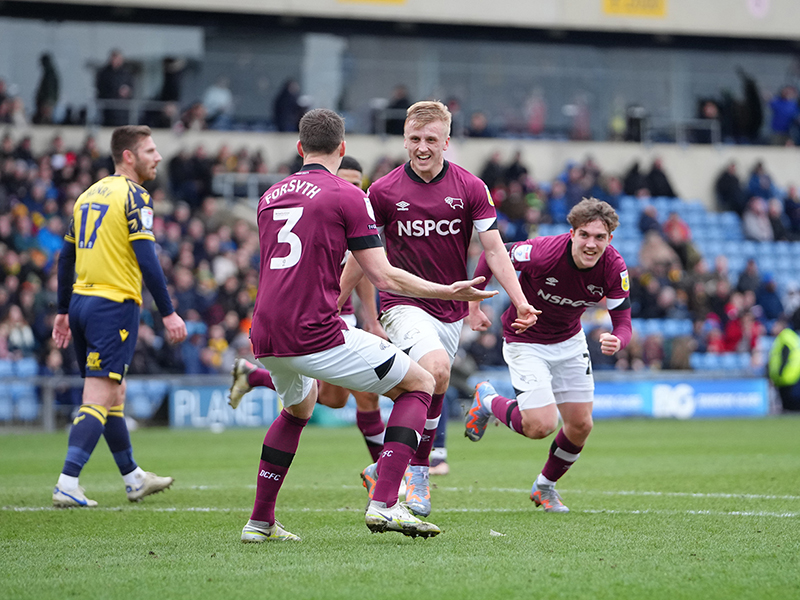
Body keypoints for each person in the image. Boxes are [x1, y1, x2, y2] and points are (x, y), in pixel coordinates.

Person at [237, 108, 497, 542]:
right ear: (343, 149)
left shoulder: (269, 196)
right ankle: (386, 503)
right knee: (420, 384)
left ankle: (260, 522)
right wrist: (450, 291)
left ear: (300, 149)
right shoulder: (348, 195)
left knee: (298, 409)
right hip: (314, 329)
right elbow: (385, 276)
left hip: (264, 331)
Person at [341, 100, 538, 518]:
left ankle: (403, 467)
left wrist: (520, 301)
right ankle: (417, 471)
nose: (422, 147)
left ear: (446, 141)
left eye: (431, 139)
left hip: (450, 307)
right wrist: (332, 303)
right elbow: (361, 256)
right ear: (405, 140)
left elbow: (494, 250)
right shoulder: (383, 191)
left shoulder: (471, 187)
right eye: (415, 139)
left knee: (433, 386)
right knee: (436, 369)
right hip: (402, 302)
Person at [465, 197, 632, 513]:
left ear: (610, 239)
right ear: (572, 234)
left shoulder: (614, 267)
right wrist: (474, 305)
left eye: (599, 237)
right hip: (525, 340)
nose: (591, 244)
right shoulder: (542, 253)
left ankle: (545, 487)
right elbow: (494, 252)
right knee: (540, 426)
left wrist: (618, 341)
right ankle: (487, 400)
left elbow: (623, 323)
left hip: (570, 343)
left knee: (581, 426)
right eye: (584, 235)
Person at [51, 125, 187, 508]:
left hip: (81, 303)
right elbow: (147, 256)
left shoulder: (88, 195)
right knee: (99, 394)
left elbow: (66, 258)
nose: (157, 157)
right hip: (113, 305)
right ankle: (68, 481)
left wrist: (62, 311)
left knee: (115, 393)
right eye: (150, 151)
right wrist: (169, 312)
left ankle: (132, 478)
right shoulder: (134, 196)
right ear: (129, 156)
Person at [229, 156, 390, 463]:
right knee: (366, 394)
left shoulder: (356, 206)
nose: (356, 188)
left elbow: (362, 271)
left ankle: (254, 377)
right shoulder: (321, 208)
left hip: (341, 314)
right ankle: (386, 477)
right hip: (316, 316)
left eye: (359, 183)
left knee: (334, 399)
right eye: (350, 181)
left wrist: (371, 318)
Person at [95, 49, 134, 127]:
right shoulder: (104, 73)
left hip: (122, 109)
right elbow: (101, 89)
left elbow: (131, 87)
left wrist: (127, 91)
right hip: (109, 109)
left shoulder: (126, 73)